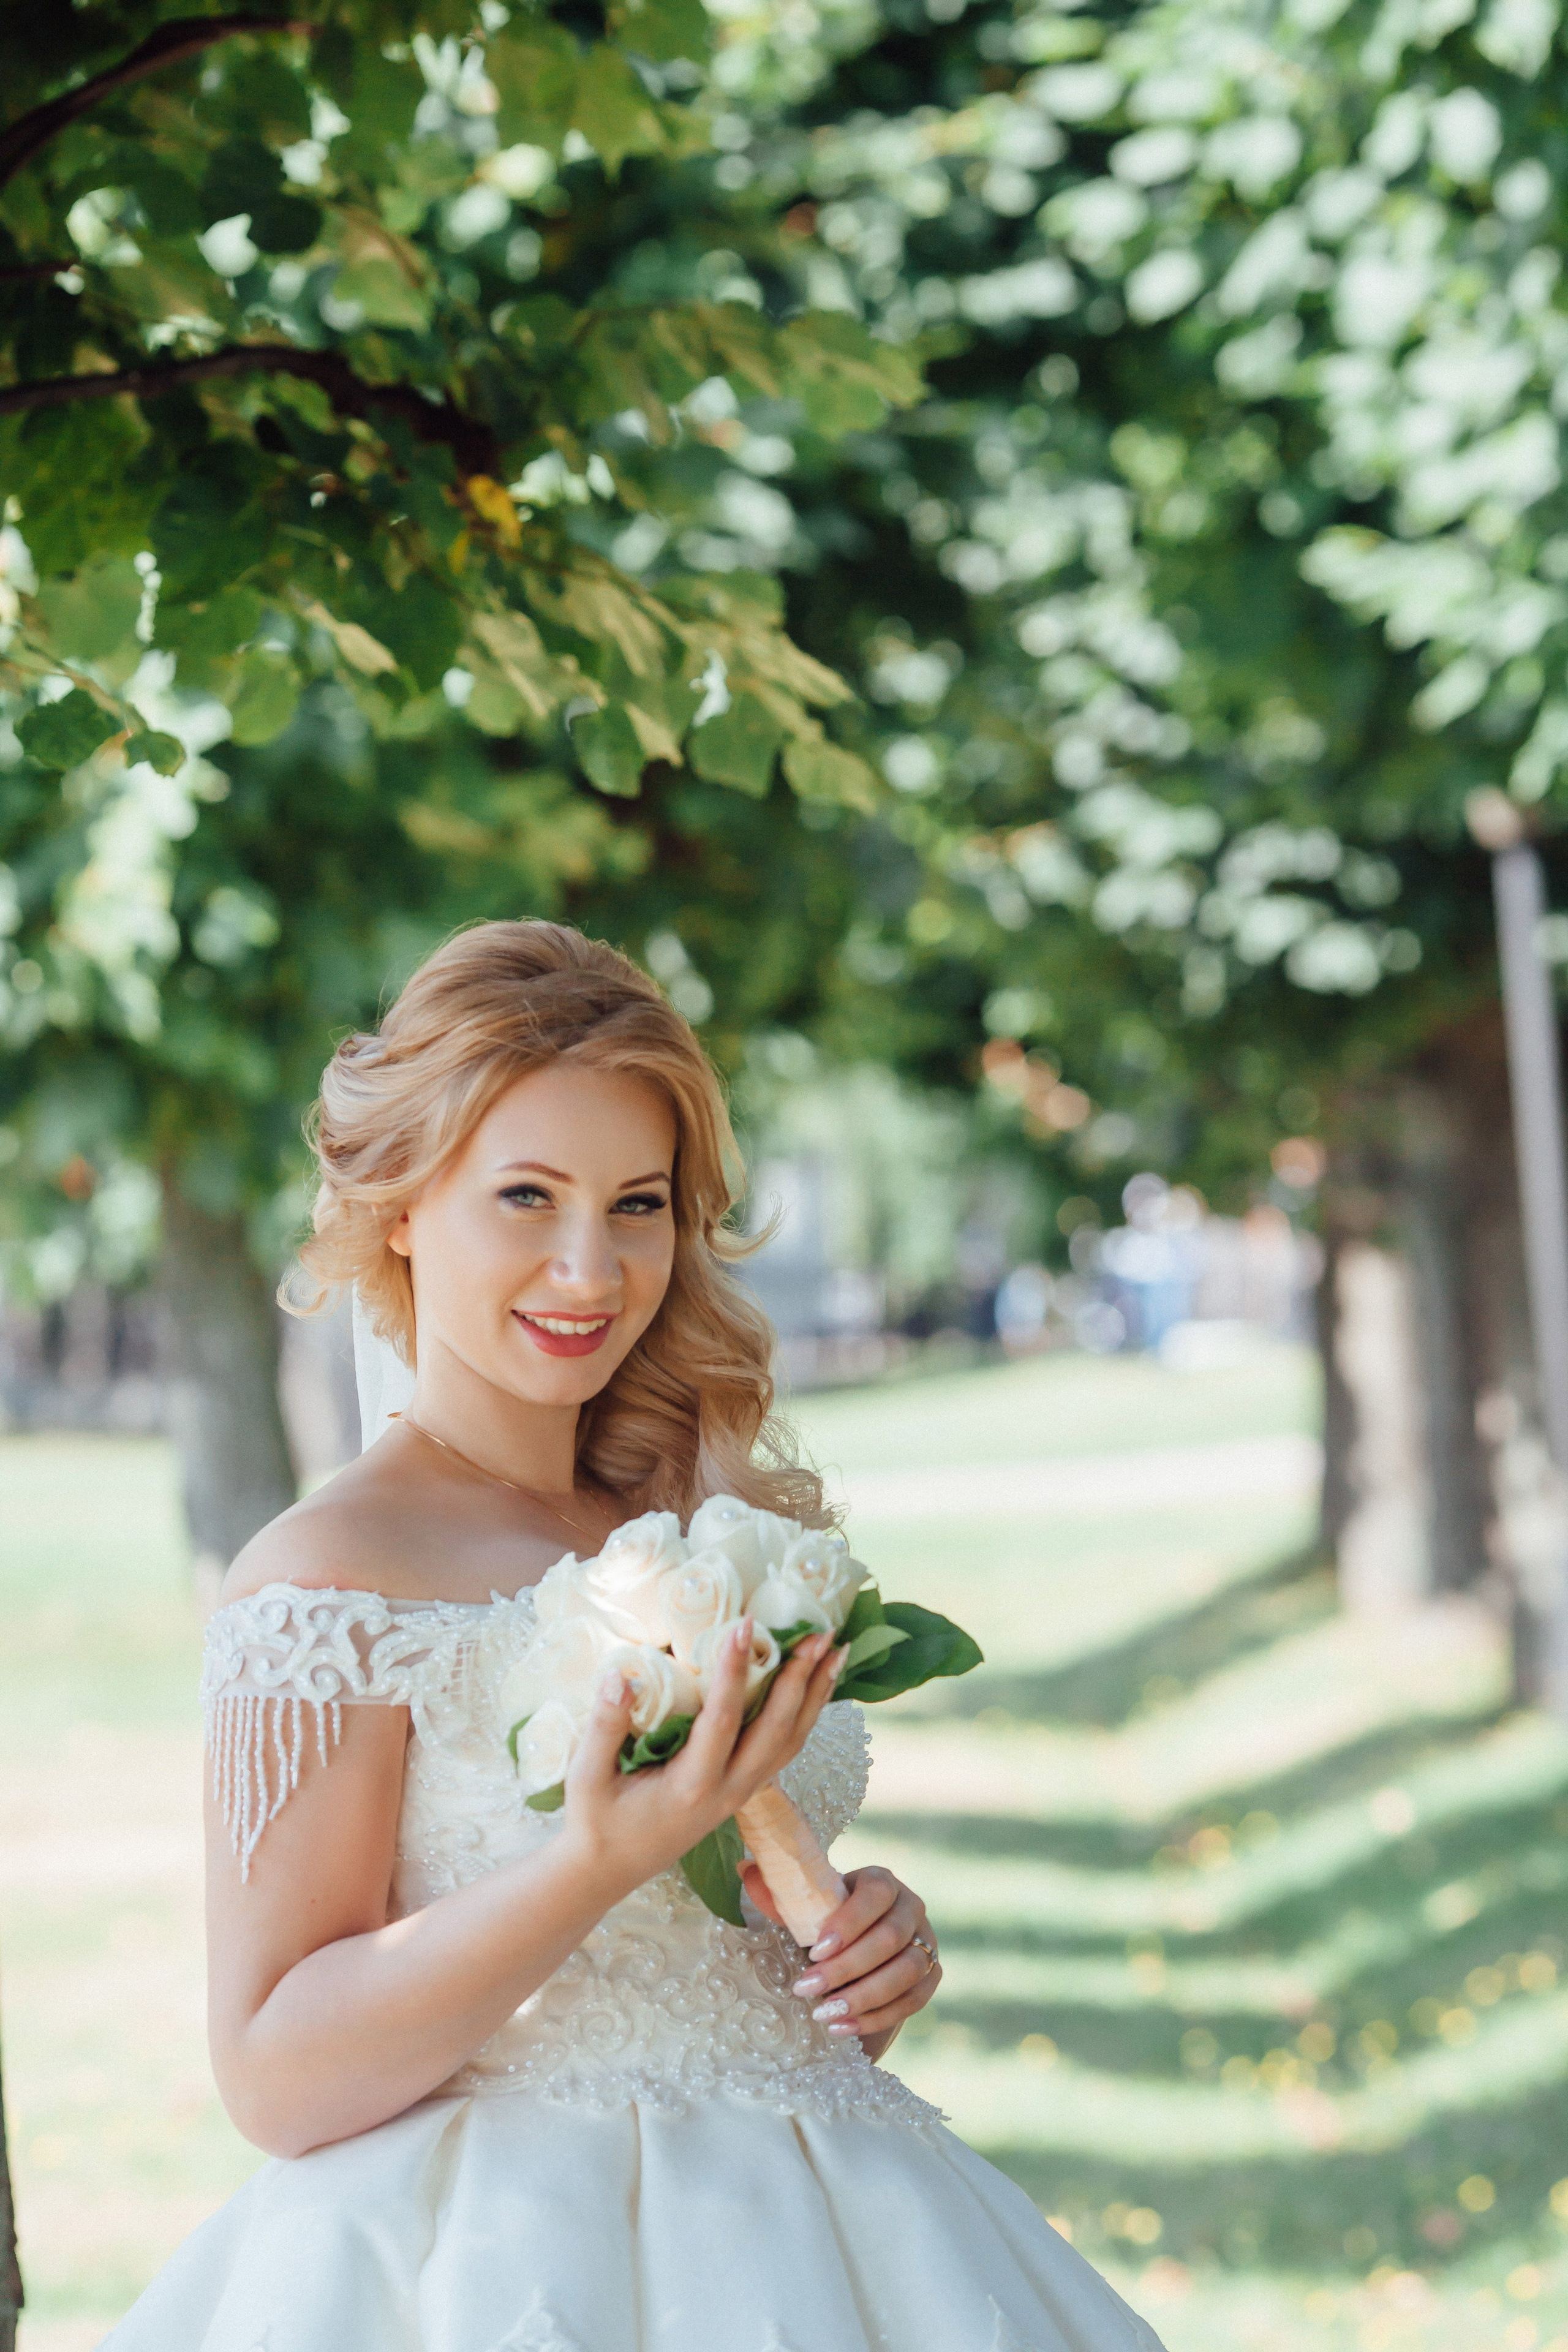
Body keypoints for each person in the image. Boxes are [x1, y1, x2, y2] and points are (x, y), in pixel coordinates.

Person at [102, 920, 1165, 2352]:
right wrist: (595, 1861)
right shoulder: (328, 1577)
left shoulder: (705, 1524)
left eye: (639, 1204)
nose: (589, 1271)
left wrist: (855, 1951)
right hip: (502, 2267)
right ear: (404, 1205)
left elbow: (729, 1927)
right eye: (526, 1197)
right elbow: (277, 2076)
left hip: (840, 2235)